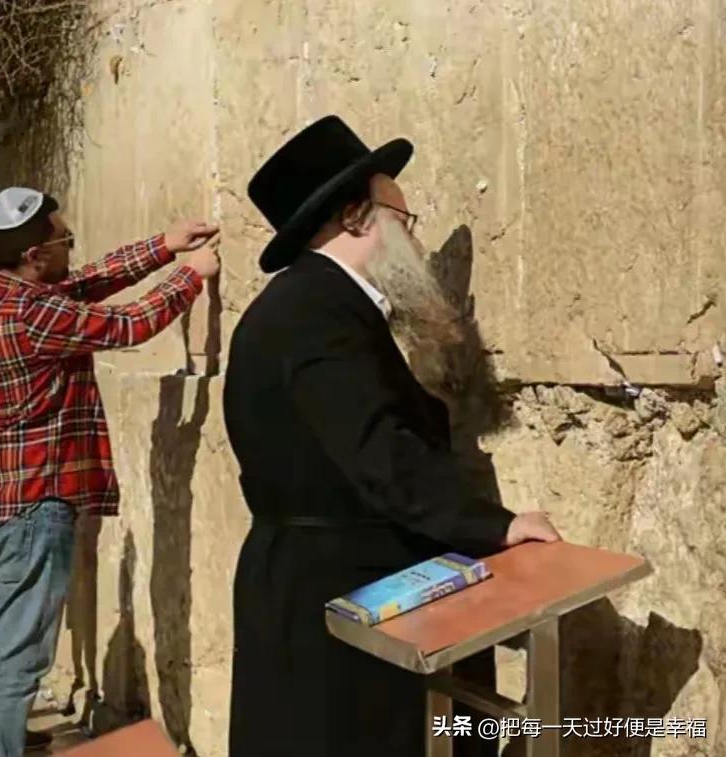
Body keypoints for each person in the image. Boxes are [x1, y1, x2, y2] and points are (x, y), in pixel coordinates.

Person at [224, 115, 562, 757]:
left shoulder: (296, 307)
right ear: (355, 217)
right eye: (402, 219)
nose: (411, 235)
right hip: (342, 587)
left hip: (307, 581)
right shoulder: (320, 315)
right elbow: (379, 455)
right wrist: (496, 526)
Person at [0, 187, 220, 757]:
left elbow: (83, 285)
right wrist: (189, 276)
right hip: (34, 501)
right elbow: (126, 326)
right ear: (35, 256)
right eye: (65, 241)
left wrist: (163, 247)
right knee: (19, 658)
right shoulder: (33, 313)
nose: (71, 248)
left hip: (0, 496)